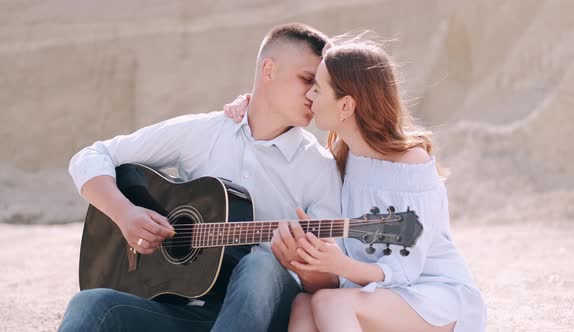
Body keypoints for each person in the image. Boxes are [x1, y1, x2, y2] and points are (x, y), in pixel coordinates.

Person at [59, 23, 343, 332]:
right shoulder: (203, 133)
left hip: (263, 318)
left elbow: (333, 281)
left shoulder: (319, 167)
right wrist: (125, 213)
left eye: (320, 86)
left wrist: (299, 264)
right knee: (90, 304)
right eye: (306, 79)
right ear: (269, 69)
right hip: (185, 312)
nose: (314, 94)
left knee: (261, 264)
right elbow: (92, 156)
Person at [224, 36, 487, 331]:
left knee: (329, 302)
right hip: (378, 295)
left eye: (318, 88)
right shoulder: (342, 160)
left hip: (433, 295)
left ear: (346, 105)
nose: (309, 95)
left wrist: (339, 265)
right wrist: (313, 258)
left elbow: (405, 271)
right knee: (304, 304)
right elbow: (348, 264)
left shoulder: (410, 163)